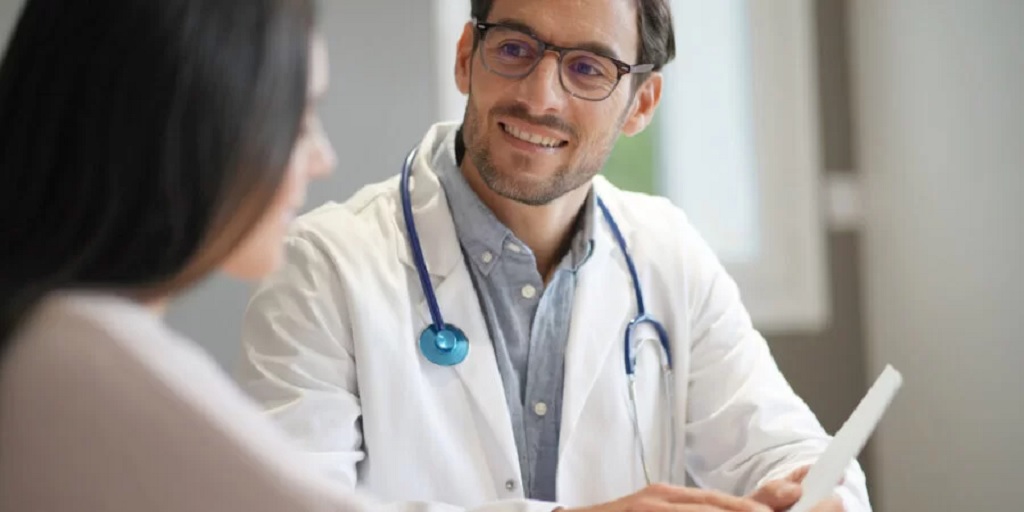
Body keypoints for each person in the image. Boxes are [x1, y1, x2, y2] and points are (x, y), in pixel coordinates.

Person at [0, 0, 665, 510]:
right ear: (192, 128)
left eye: (587, 68)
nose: (322, 156)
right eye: (296, 118)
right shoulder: (77, 354)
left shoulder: (56, 337)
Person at [236, 0, 871, 511]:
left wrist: (821, 495)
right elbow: (283, 505)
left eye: (589, 68)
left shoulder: (668, 254)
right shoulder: (322, 267)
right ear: (466, 57)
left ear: (641, 104)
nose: (540, 97)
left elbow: (785, 449)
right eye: (515, 49)